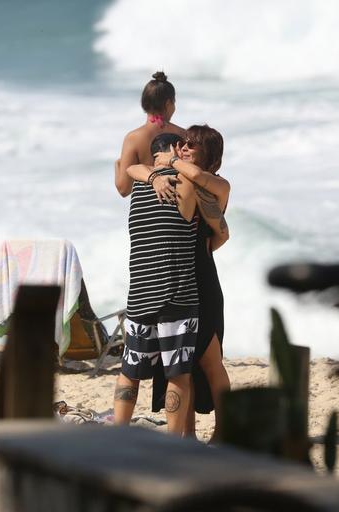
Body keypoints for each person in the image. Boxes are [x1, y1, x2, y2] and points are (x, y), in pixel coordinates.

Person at [128, 125, 231, 440]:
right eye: (181, 143)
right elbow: (131, 168)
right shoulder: (175, 181)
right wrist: (157, 175)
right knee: (181, 366)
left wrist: (168, 163)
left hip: (202, 281)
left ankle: (227, 430)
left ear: (208, 154)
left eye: (191, 145)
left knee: (210, 360)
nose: (182, 148)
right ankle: (186, 433)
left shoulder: (213, 186)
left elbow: (222, 233)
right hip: (176, 280)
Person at [113, 133, 200, 436]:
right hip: (176, 293)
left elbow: (127, 168)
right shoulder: (184, 182)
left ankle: (118, 435)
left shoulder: (139, 184)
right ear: (175, 150)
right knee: (178, 373)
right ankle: (174, 443)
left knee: (130, 371)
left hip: (139, 292)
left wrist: (149, 172)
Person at [114, 71, 186, 197]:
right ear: (168, 104)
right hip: (179, 207)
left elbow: (124, 189)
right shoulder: (184, 135)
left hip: (145, 212)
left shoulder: (133, 138)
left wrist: (117, 164)